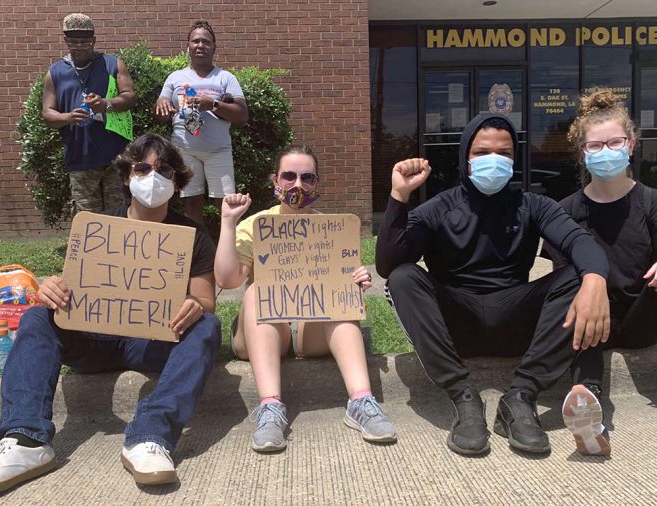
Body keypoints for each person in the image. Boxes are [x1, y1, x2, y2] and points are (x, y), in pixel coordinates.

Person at [0, 134, 222, 497]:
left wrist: (194, 305)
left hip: (153, 341)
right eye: (142, 167)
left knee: (207, 325)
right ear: (127, 176)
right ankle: (24, 440)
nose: (152, 176)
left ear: (176, 181)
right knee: (36, 317)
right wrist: (52, 288)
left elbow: (206, 300)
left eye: (164, 169)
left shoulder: (192, 234)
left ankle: (150, 436)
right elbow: (71, 285)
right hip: (93, 338)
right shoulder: (96, 227)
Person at [376, 113, 611, 456]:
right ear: (465, 159)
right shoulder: (440, 207)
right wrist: (399, 197)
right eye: (482, 152)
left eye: (504, 153)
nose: (493, 160)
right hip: (457, 323)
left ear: (514, 160)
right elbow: (387, 262)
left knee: (580, 274)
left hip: (515, 319)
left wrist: (594, 280)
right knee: (402, 276)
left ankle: (520, 397)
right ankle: (463, 397)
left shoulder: (533, 205)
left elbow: (580, 242)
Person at [541, 89, 657, 455]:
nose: (606, 152)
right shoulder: (566, 211)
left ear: (632, 145)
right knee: (572, 288)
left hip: (641, 320)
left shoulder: (655, 203)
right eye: (595, 145)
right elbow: (560, 283)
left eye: (615, 142)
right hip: (592, 319)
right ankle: (588, 406)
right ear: (582, 154)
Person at [215, 145, 396, 452]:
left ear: (316, 184)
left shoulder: (329, 229)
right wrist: (227, 223)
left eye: (306, 177)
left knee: (340, 292)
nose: (297, 185)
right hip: (264, 330)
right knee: (257, 291)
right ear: (275, 181)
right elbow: (227, 279)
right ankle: (271, 408)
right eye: (289, 176)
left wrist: (356, 279)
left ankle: (362, 401)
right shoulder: (257, 225)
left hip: (311, 332)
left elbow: (346, 277)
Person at [155, 19, 249, 225]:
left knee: (225, 204)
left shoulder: (225, 78)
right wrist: (162, 102)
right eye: (195, 41)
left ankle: (231, 250)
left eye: (206, 42)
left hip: (219, 150)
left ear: (214, 47)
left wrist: (212, 104)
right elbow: (162, 113)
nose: (200, 45)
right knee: (191, 204)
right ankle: (198, 250)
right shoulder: (175, 78)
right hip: (184, 150)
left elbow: (242, 115)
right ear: (187, 45)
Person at [42, 13, 136, 214]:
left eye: (85, 41)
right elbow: (48, 114)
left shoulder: (112, 64)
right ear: (66, 41)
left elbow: (130, 97)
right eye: (74, 41)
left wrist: (107, 104)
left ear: (94, 40)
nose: (80, 46)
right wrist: (68, 117)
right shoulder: (55, 72)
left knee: (119, 215)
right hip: (80, 158)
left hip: (116, 156)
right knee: (87, 222)